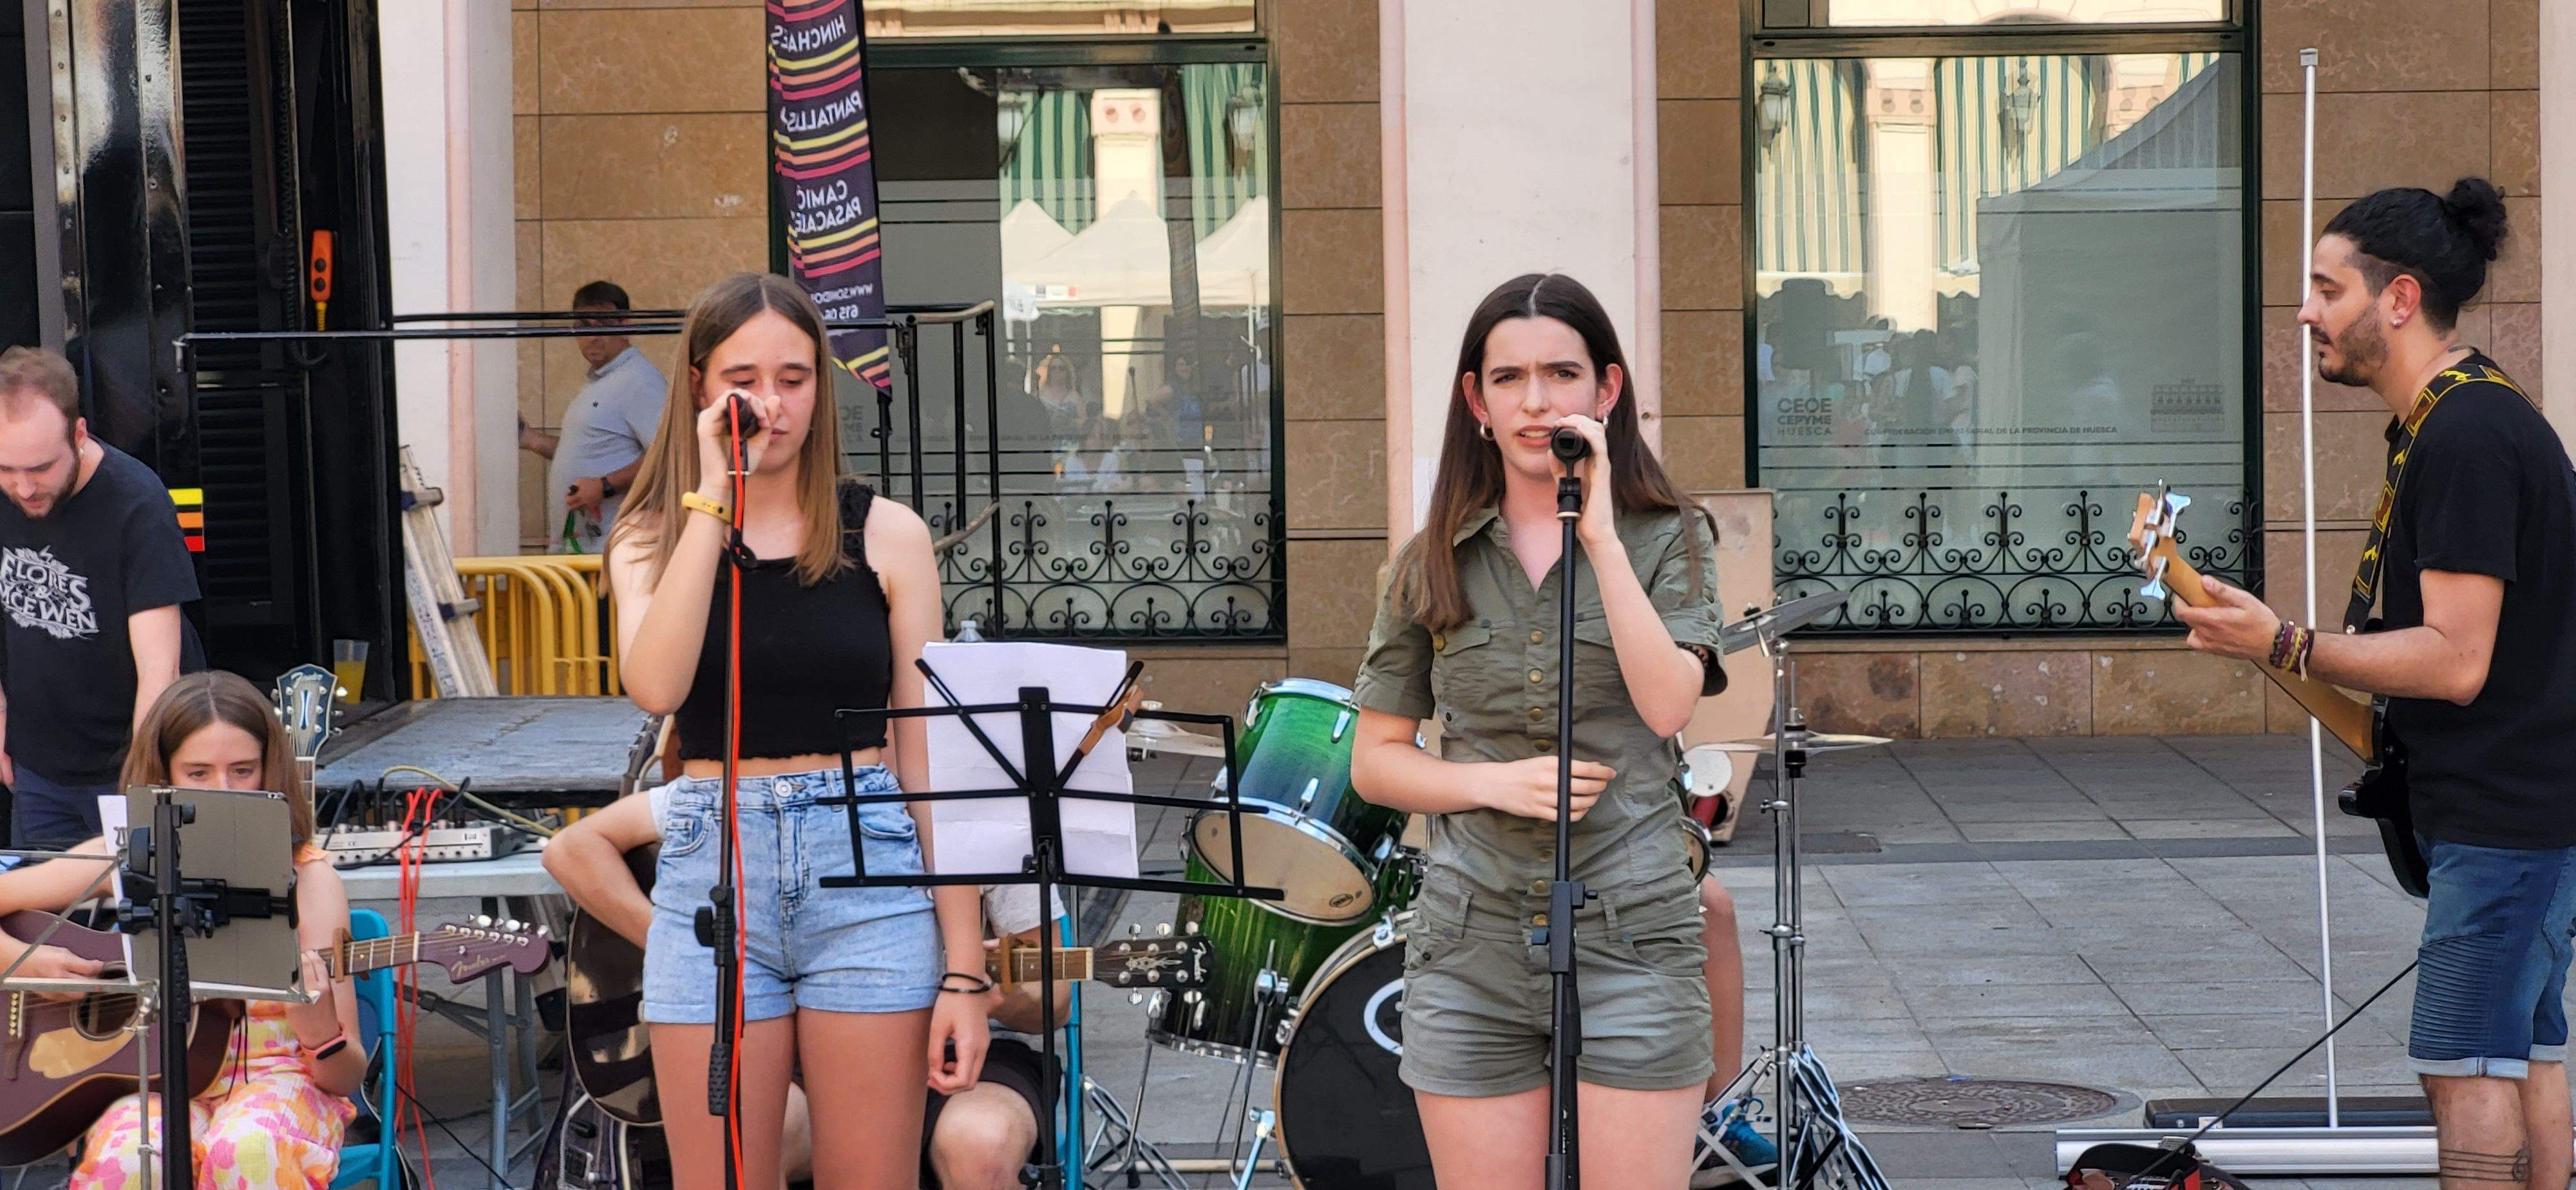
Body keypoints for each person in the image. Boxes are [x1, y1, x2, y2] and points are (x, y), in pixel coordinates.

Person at [2156, 179, 2576, 1190]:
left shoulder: (2467, 433)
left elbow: (2455, 659)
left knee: (2465, 1064)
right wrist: (2268, 640)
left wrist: (2289, 641)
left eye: (2324, 287)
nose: (2304, 311)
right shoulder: (2455, 420)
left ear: (2398, 298)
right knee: (2525, 1051)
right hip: (2513, 808)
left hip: (2505, 815)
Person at [1347, 273, 1762, 1189]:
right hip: (1471, 941)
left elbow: (1667, 706)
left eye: (1562, 374)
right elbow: (1375, 763)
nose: (1537, 402)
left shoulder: (1667, 537)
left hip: (1636, 932)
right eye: (1509, 379)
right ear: (1476, 401)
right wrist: (1488, 783)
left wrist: (1601, 535)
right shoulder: (1427, 563)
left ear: (1606, 392)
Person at [605, 272, 987, 1190]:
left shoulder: (886, 535)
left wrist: (966, 971)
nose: (769, 405)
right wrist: (710, 497)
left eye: (794, 378)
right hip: (712, 860)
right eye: (742, 380)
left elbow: (926, 753)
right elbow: (655, 685)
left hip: (866, 860)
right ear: (699, 386)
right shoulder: (651, 537)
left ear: (822, 388)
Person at [547, 795, 1072, 1190]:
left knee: (983, 1144)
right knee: (756, 1133)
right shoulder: (771, 790)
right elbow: (571, 849)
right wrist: (681, 945)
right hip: (793, 1052)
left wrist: (988, 993)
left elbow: (1052, 999)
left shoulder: (979, 811)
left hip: (964, 1061)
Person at [0, 671, 362, 1190]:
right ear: (162, 774)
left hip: (280, 1084)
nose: (224, 790)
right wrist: (30, 965)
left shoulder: (310, 877)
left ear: (270, 770)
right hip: (157, 1082)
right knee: (127, 1159)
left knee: (246, 1148)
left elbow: (345, 1076)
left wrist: (321, 1033)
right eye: (198, 772)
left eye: (243, 770)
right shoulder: (125, 855)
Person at [0, 346, 199, 851]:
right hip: (40, 770)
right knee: (46, 924)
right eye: (7, 469)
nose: (23, 488)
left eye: (41, 468)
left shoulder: (137, 502)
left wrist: (144, 782)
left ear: (80, 434)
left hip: (131, 762)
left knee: (141, 922)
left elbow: (161, 669)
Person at [521, 281, 668, 554]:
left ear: (626, 324)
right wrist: (532, 440)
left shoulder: (639, 381)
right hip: (584, 551)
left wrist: (605, 486)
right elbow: (594, 451)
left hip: (615, 554)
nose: (593, 336)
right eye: (583, 326)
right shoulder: (601, 382)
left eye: (604, 324)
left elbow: (669, 456)